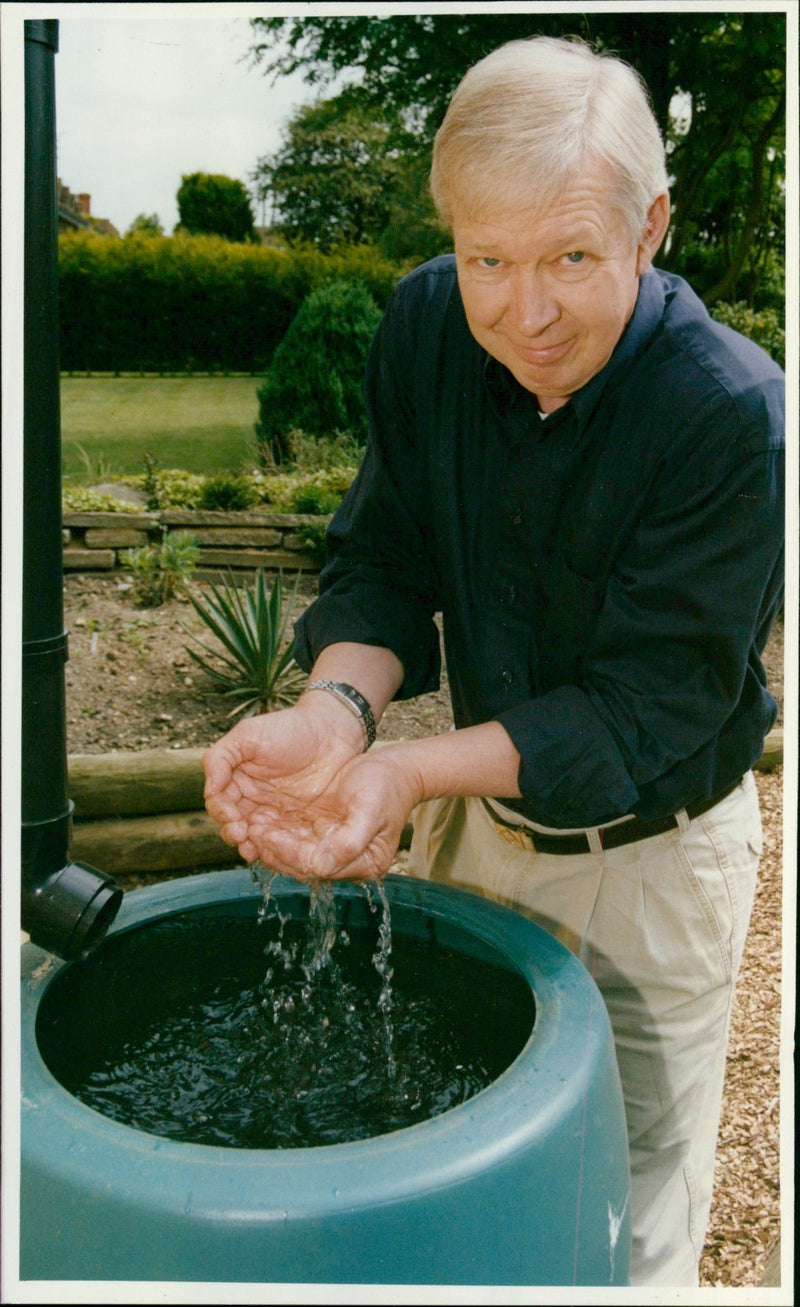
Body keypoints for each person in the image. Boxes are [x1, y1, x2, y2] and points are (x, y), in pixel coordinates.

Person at [204, 36, 785, 1287]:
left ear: (650, 229)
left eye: (572, 256)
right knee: (470, 1190)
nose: (525, 313)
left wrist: (408, 778)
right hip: (480, 833)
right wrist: (335, 715)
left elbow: (640, 708)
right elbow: (385, 565)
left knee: (621, 1227)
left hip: (654, 863)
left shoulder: (730, 414)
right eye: (486, 260)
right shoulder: (422, 326)